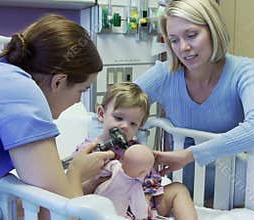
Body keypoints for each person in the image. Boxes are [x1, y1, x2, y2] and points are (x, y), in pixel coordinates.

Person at [0, 14, 114, 218]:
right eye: (82, 90)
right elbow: (58, 212)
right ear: (58, 81)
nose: (78, 102)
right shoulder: (20, 91)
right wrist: (77, 172)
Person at [134, 0, 254, 204]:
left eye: (191, 35)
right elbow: (116, 108)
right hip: (180, 193)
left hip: (230, 194)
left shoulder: (243, 71)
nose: (183, 48)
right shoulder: (164, 74)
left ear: (213, 30)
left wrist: (191, 154)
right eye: (174, 40)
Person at [75, 82, 197, 219]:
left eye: (133, 124)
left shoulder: (136, 150)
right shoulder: (88, 151)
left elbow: (152, 177)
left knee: (178, 189)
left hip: (139, 205)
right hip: (108, 207)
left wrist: (146, 197)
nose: (125, 126)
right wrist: (96, 181)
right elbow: (75, 187)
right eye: (119, 118)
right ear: (102, 114)